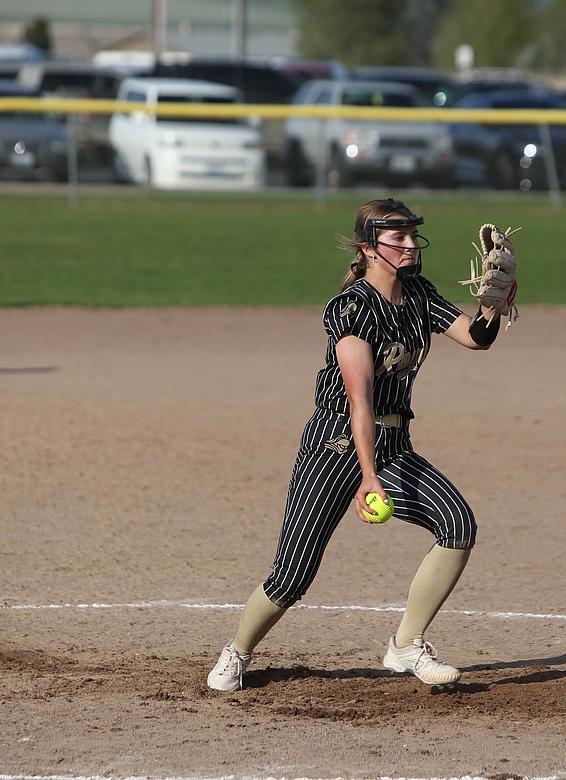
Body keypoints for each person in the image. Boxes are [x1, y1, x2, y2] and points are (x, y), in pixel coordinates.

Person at [206, 198, 512, 691]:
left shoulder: (419, 295)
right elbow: (359, 401)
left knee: (458, 524)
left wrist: (492, 306)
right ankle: (237, 651)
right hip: (335, 446)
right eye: (398, 237)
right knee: (293, 575)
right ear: (370, 248)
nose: (410, 244)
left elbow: (477, 338)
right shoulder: (351, 309)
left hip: (393, 442)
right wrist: (368, 477)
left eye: (413, 235)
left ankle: (405, 646)